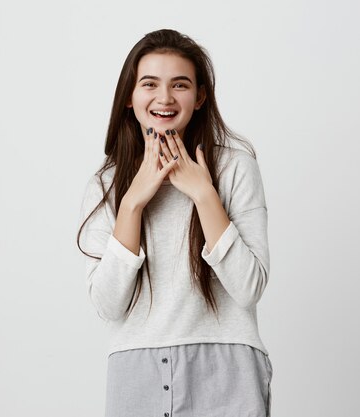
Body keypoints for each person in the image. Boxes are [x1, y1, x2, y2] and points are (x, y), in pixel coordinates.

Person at [77, 29, 273, 417]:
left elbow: (249, 288)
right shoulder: (106, 184)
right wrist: (132, 202)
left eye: (179, 85)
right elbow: (108, 305)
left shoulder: (235, 168)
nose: (164, 98)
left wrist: (203, 194)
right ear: (130, 98)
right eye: (150, 84)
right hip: (136, 369)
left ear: (199, 97)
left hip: (227, 365)